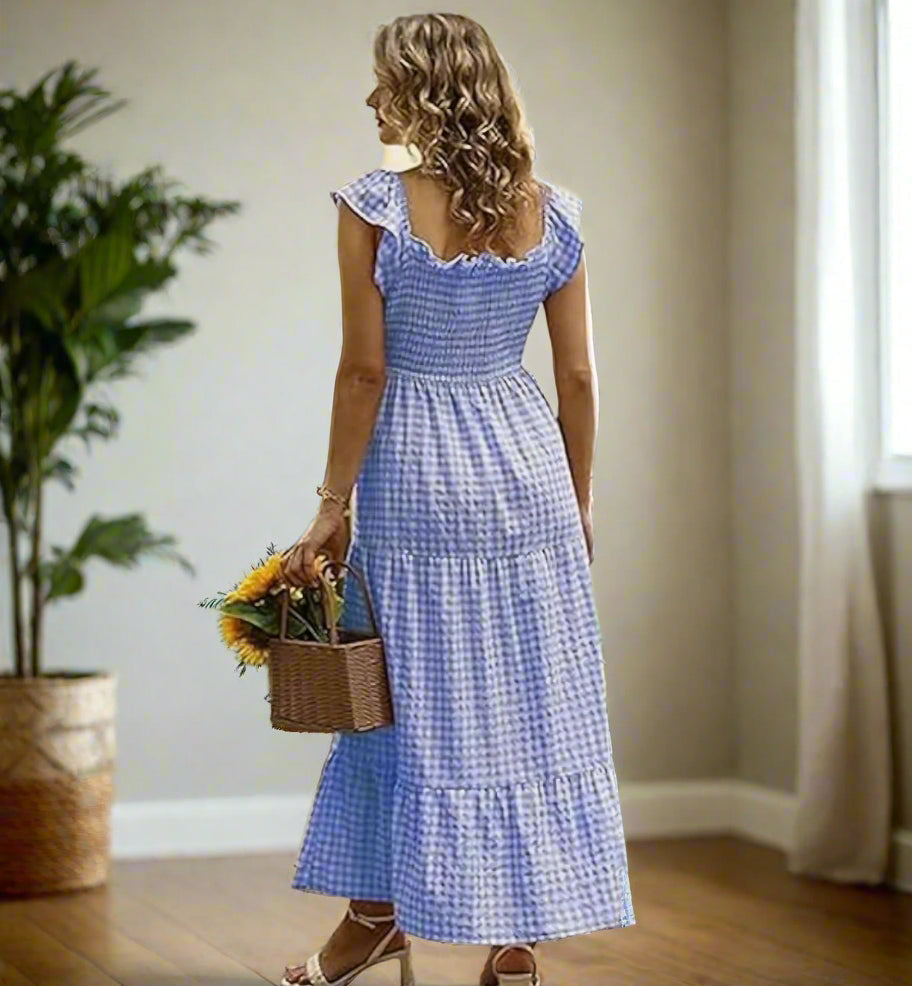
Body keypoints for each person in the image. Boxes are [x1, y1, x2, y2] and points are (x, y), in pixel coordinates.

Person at [279, 13, 635, 986]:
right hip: (527, 476)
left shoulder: (374, 207)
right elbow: (578, 381)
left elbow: (364, 373)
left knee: (403, 700)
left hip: (419, 477)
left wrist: (329, 503)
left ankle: (376, 916)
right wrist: (581, 499)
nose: (370, 98)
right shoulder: (554, 212)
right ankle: (513, 948)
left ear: (419, 87)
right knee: (523, 699)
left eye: (381, 78)